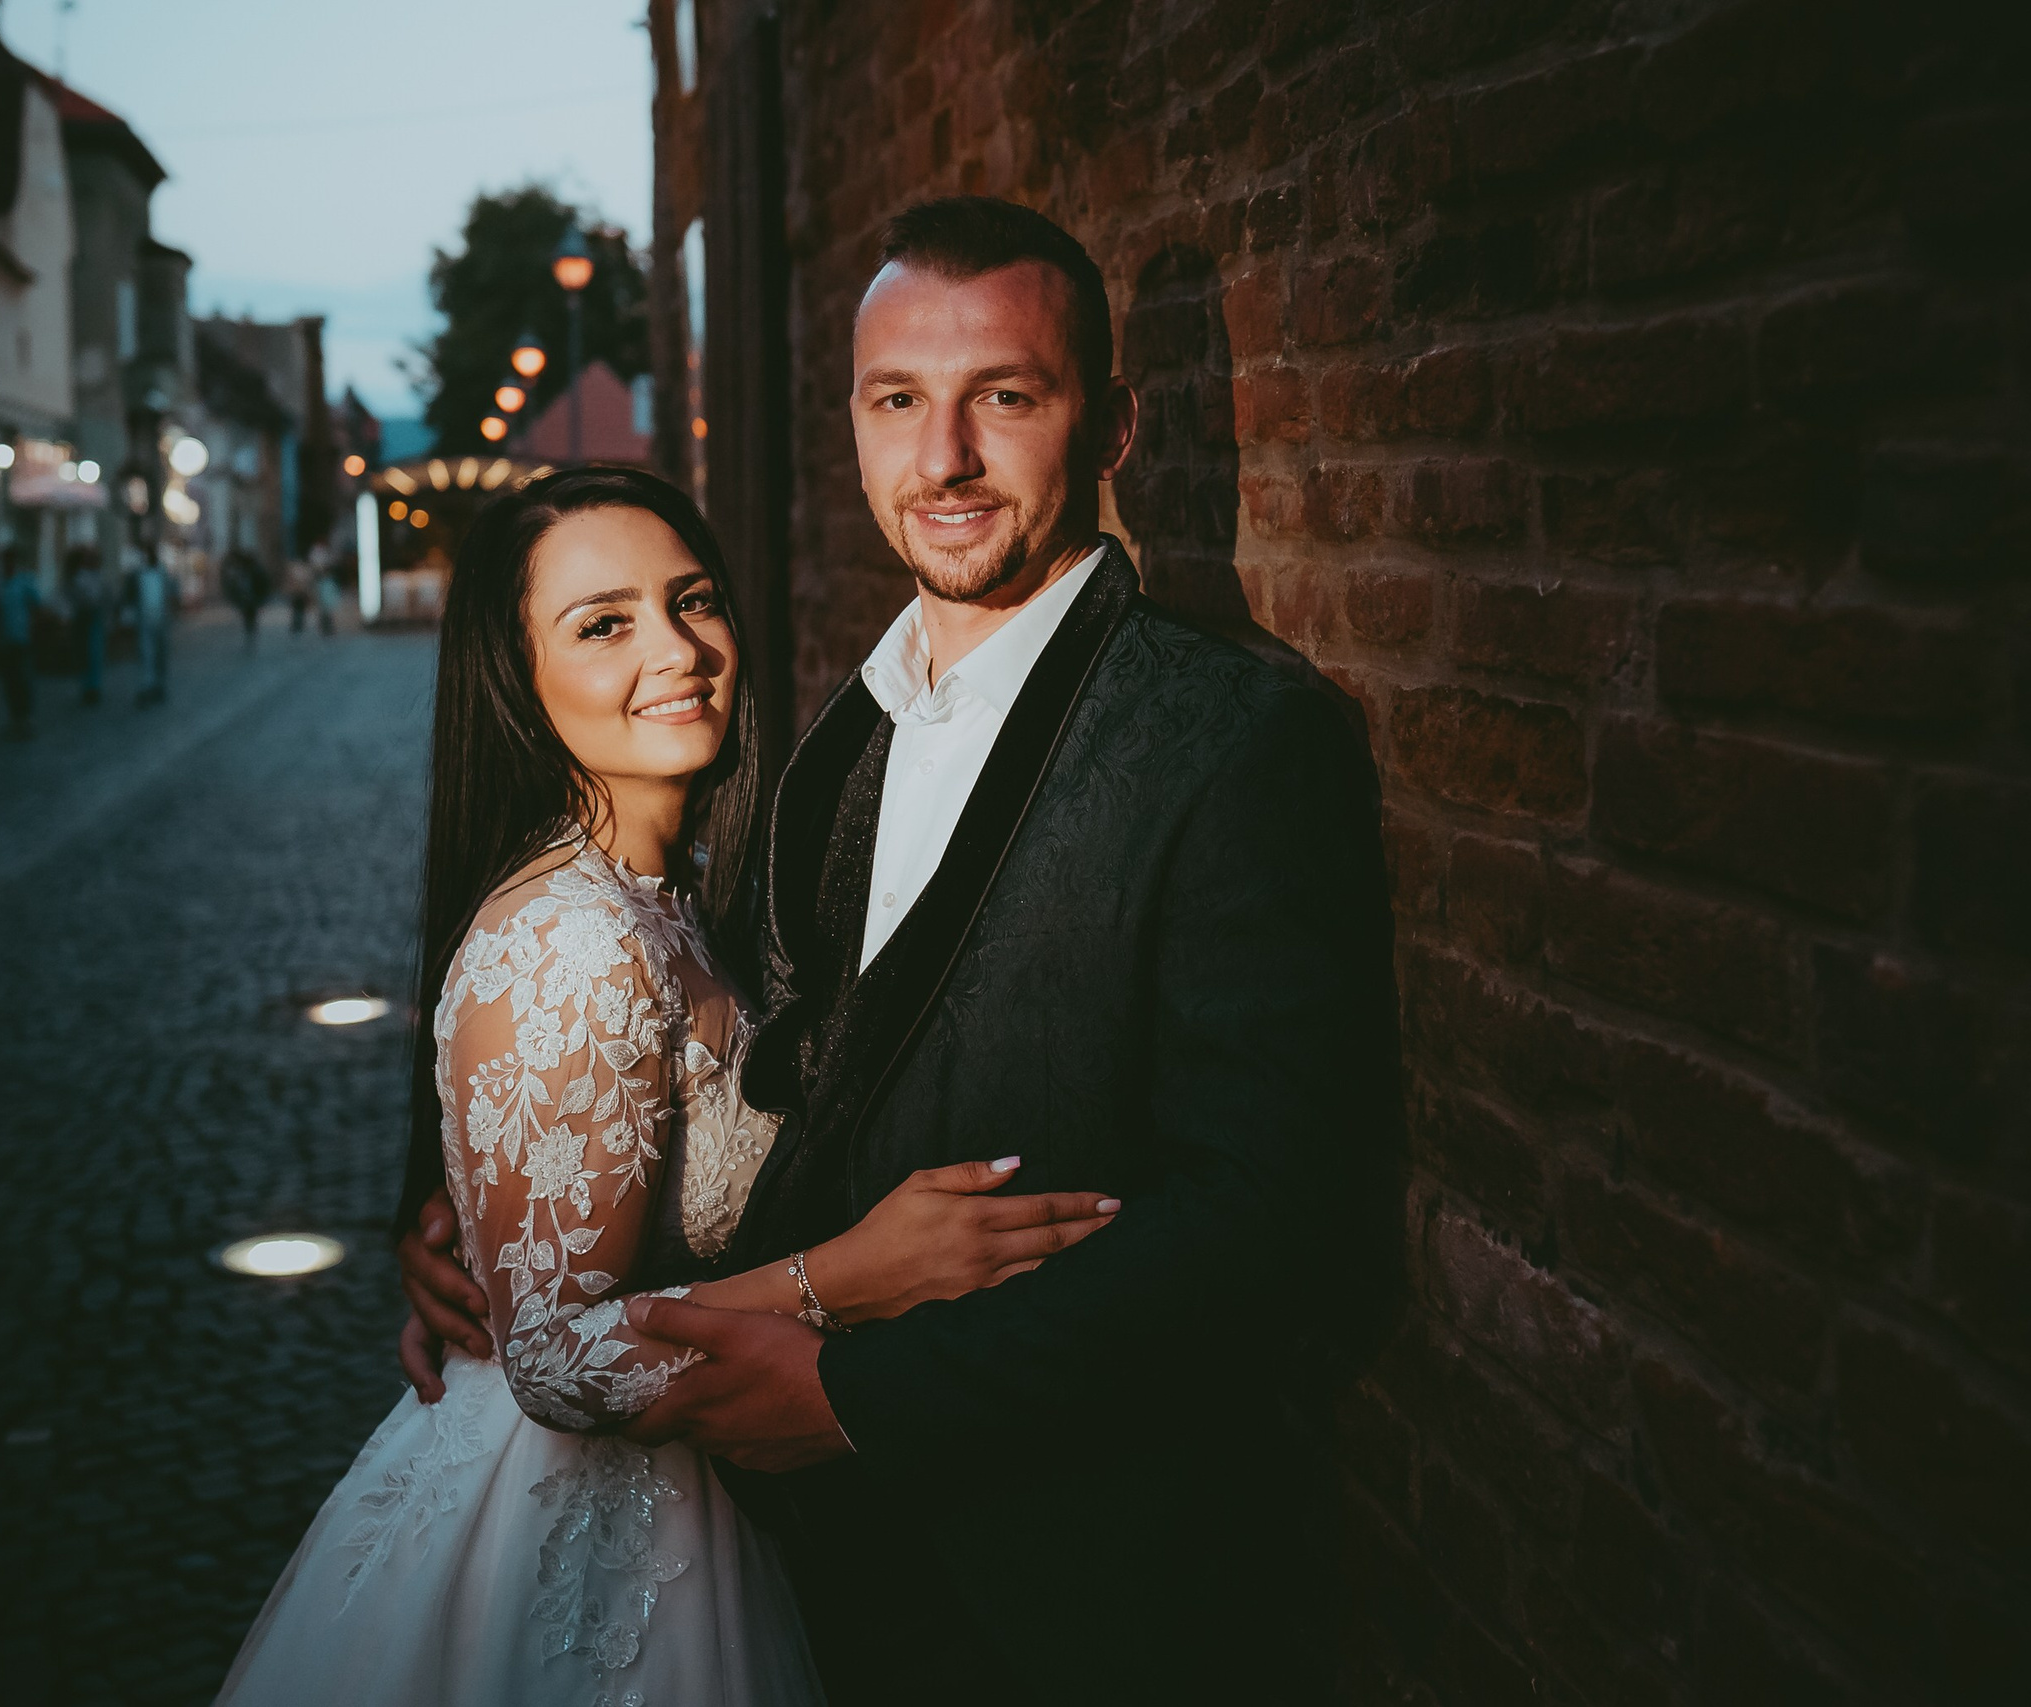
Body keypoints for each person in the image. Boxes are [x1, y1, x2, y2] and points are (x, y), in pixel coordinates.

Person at [399, 198, 1396, 1705]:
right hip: (799, 1574)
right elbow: (730, 1077)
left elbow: (1272, 1216)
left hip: (1057, 1594)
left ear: (1112, 428)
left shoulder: (1232, 738)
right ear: (855, 430)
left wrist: (865, 1394)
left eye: (1005, 396)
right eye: (897, 402)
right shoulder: (830, 743)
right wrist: (493, 1217)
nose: (945, 458)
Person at [216, 467, 1120, 1707]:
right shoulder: (573, 940)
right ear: (516, 681)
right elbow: (550, 1358)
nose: (677, 651)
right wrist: (851, 1274)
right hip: (572, 1530)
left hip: (695, 1495)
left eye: (690, 601)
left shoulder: (673, 898)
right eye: (603, 624)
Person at [0, 547, 41, 737]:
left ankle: (26, 717)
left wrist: (33, 628)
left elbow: (36, 604)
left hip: (22, 638)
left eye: (11, 560)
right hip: (4, 639)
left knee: (24, 679)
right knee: (9, 680)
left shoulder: (24, 581)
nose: (8, 564)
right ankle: (14, 718)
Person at [64, 547, 107, 706]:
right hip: (84, 617)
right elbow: (87, 597)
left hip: (93, 617)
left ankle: (93, 687)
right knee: (85, 653)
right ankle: (87, 687)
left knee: (94, 653)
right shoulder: (80, 576)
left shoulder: (96, 576)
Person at [132, 555, 173, 707]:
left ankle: (158, 684)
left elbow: (168, 595)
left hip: (160, 620)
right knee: (147, 653)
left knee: (159, 654)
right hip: (145, 620)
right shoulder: (139, 574)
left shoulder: (161, 573)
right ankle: (149, 684)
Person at [221, 545, 269, 645]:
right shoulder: (244, 571)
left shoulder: (253, 570)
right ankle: (250, 632)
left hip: (251, 597)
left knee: (250, 615)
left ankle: (250, 632)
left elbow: (263, 585)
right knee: (249, 615)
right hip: (248, 598)